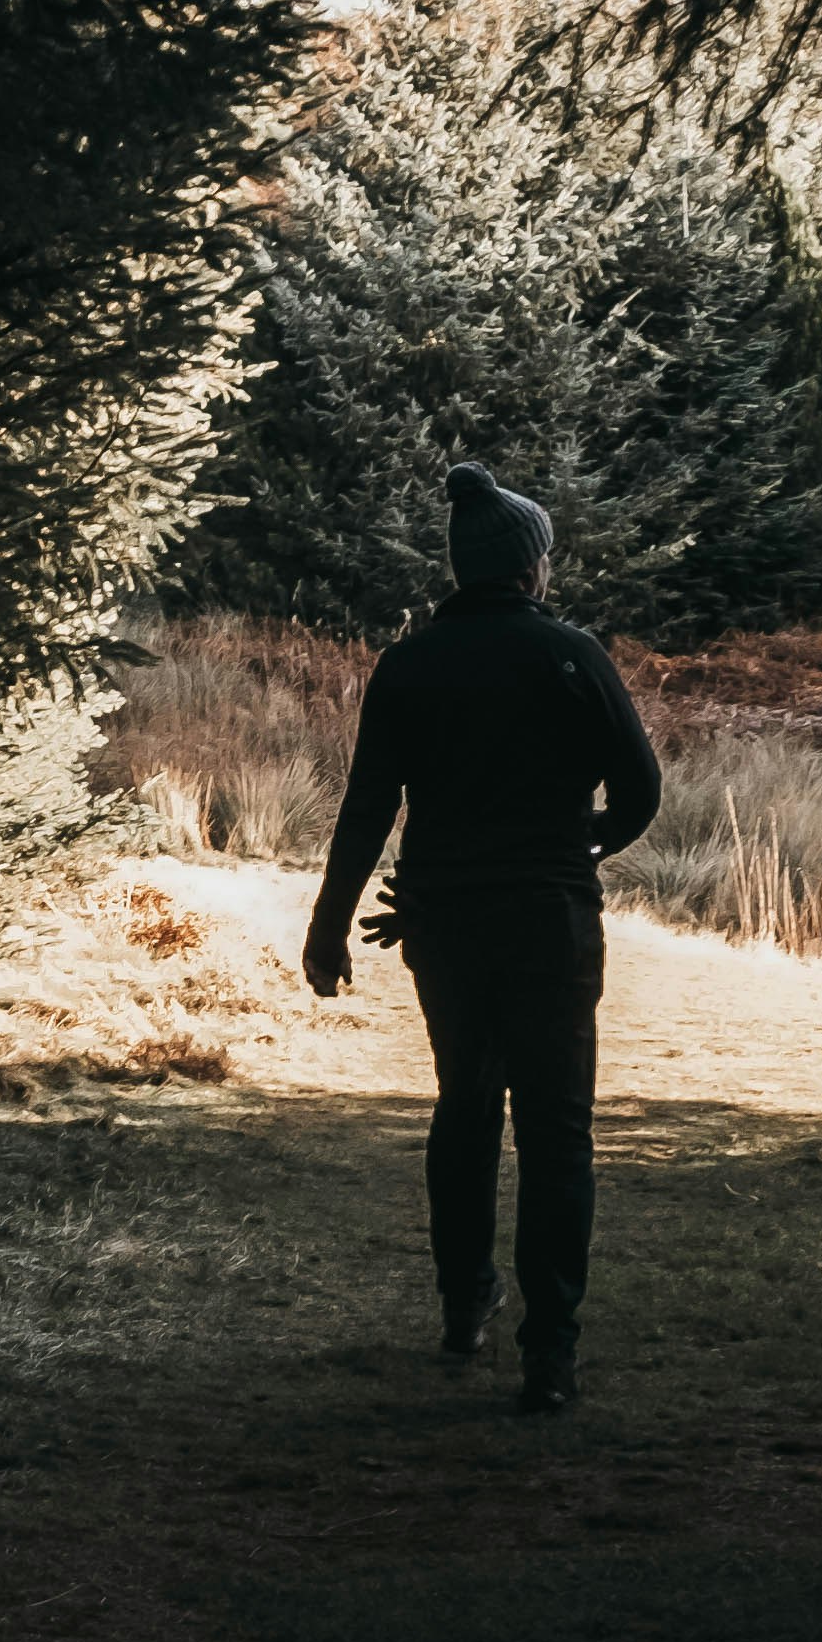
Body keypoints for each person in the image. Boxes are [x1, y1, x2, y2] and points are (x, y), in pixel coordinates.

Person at [301, 458, 663, 1410]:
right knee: (557, 1132)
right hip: (552, 922)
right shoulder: (572, 655)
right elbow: (640, 793)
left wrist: (329, 927)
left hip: (444, 925)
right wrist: (576, 844)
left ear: (464, 568)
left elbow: (368, 805)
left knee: (465, 1107)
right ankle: (551, 1349)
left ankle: (465, 1305)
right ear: (531, 566)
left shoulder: (411, 663)